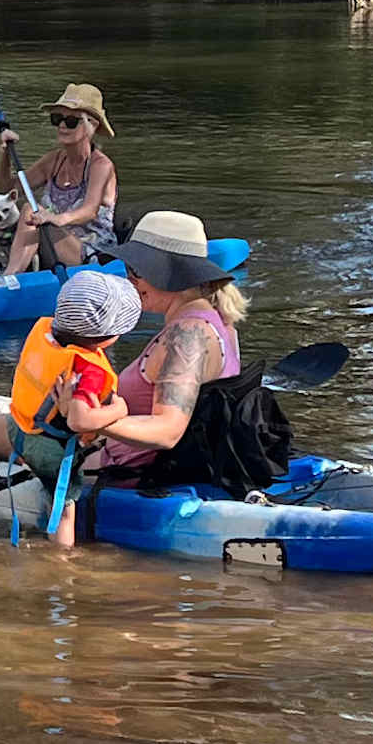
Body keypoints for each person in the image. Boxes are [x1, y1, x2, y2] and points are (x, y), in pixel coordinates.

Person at [0, 268, 140, 548]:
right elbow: (80, 420)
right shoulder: (89, 369)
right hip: (50, 448)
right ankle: (62, 558)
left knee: (7, 438)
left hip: (19, 428)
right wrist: (119, 410)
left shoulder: (49, 334)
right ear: (109, 336)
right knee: (65, 508)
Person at [65, 210, 243, 515]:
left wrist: (89, 419)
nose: (129, 279)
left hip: (128, 475)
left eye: (137, 270)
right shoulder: (219, 321)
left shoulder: (188, 335)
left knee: (15, 433)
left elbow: (167, 431)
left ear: (170, 275)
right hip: (136, 460)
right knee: (7, 428)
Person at [0, 82, 117, 278]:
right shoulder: (53, 160)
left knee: (31, 210)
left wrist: (54, 219)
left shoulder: (101, 165)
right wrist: (5, 155)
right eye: (57, 119)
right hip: (48, 244)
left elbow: (89, 211)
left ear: (93, 125)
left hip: (87, 254)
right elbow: (7, 189)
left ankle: (10, 276)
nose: (62, 125)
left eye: (71, 121)